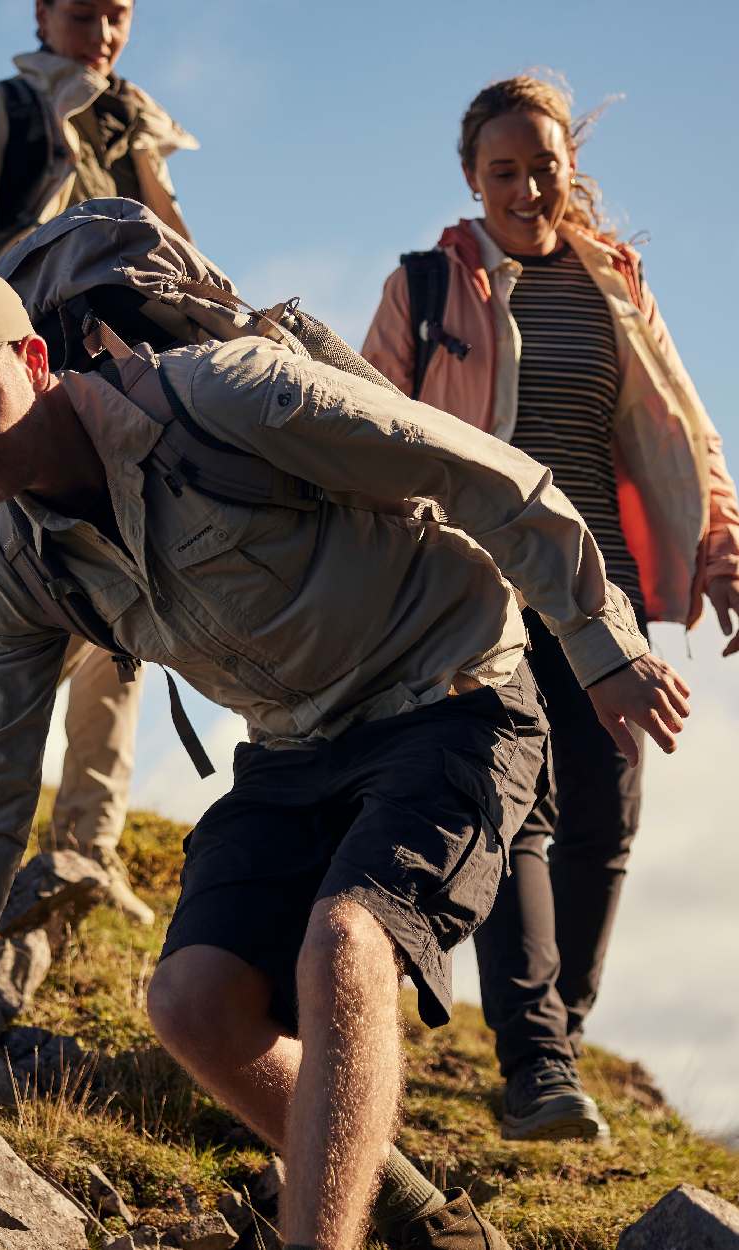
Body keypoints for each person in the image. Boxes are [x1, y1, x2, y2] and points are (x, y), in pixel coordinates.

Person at [0, 264, 690, 1250]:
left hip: (448, 694)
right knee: (191, 1002)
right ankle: (428, 1227)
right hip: (294, 746)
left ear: (33, 359)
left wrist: (602, 642)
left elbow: (469, 465)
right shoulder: (20, 562)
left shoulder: (225, 398)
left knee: (347, 943)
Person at [361, 73, 739, 1144]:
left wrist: (721, 548)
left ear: (571, 169)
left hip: (607, 586)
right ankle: (532, 1064)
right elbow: (364, 425)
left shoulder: (614, 282)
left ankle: (554, 1037)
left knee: (605, 818)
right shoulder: (426, 286)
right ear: (472, 180)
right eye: (503, 172)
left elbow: (683, 431)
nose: (526, 189)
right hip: (481, 587)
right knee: (517, 807)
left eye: (543, 168)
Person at [0, 0, 198, 926]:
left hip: (139, 386)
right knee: (72, 588)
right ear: (40, 11)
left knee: (137, 594)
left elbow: (176, 260)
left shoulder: (137, 125)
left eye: (119, 13)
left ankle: (85, 844)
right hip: (26, 394)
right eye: (83, 12)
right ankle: (2, 778)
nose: (104, 32)